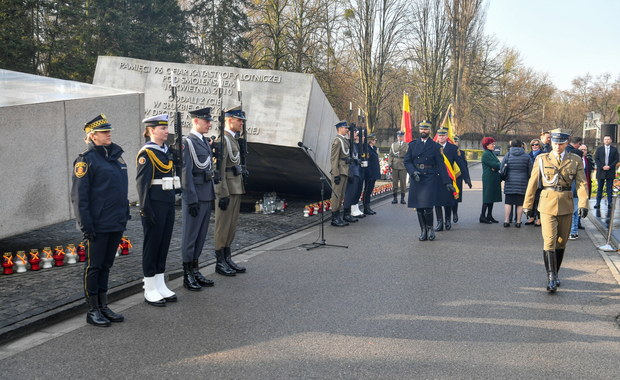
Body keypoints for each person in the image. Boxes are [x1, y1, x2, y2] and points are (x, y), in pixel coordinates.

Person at [71, 114, 130, 327]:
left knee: (106, 265)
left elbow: (119, 191)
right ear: (92, 136)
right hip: (97, 224)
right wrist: (86, 225)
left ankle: (104, 304)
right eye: (104, 132)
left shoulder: (115, 157)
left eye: (109, 131)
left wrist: (124, 215)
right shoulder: (85, 160)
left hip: (115, 221)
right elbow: (80, 197)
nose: (109, 134)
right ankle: (92, 308)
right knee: (94, 267)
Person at [524, 128, 589, 292]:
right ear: (551, 142)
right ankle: (551, 277)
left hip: (566, 203)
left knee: (561, 242)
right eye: (555, 143)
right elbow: (532, 183)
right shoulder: (542, 159)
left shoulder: (575, 160)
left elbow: (582, 183)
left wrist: (583, 204)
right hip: (547, 203)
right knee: (549, 240)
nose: (558, 146)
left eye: (561, 143)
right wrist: (527, 204)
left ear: (566, 143)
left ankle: (556, 273)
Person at [136, 114, 178, 307]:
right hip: (154, 204)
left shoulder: (166, 150)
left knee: (163, 244)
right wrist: (145, 208)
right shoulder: (147, 153)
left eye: (166, 127)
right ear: (151, 130)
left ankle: (160, 283)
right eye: (162, 128)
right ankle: (149, 287)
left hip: (168, 201)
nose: (166, 131)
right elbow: (142, 183)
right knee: (152, 245)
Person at [180, 107, 216, 291]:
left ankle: (195, 269)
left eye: (209, 121)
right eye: (206, 121)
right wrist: (190, 198)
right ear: (195, 121)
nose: (209, 124)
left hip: (206, 193)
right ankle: (187, 274)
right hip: (194, 197)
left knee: (201, 236)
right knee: (190, 236)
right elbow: (185, 173)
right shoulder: (188, 142)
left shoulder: (203, 141)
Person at [404, 121, 453, 241]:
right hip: (417, 177)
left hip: (430, 177)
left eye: (426, 129)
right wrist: (413, 172)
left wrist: (447, 182)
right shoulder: (413, 145)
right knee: (419, 207)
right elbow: (407, 161)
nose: (423, 131)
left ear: (430, 131)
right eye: (421, 129)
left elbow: (441, 166)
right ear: (419, 130)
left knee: (427, 206)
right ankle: (423, 230)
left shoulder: (436, 146)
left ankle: (430, 229)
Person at [213, 105, 248, 276]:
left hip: (236, 187)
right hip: (227, 189)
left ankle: (227, 256)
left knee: (231, 226)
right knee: (223, 225)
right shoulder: (223, 140)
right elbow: (219, 169)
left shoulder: (233, 139)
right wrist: (222, 192)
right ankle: (220, 260)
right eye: (239, 120)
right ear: (228, 120)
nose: (241, 123)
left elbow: (234, 163)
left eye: (242, 121)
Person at [500, 139, 532, 227]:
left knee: (508, 202)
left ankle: (506, 221)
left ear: (512, 145)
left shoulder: (508, 155)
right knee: (520, 203)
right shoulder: (526, 156)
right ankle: (518, 222)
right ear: (521, 145)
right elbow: (531, 170)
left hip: (510, 181)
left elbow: (501, 167)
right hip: (522, 182)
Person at [433, 127, 458, 231]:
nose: (441, 137)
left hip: (448, 178)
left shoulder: (453, 148)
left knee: (447, 201)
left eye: (443, 135)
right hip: (436, 178)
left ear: (447, 137)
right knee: (437, 201)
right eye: (440, 135)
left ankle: (447, 220)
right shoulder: (433, 147)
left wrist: (467, 178)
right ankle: (439, 222)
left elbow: (460, 163)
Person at [330, 121, 351, 227]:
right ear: (339, 129)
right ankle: (334, 217)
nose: (347, 129)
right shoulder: (337, 141)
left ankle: (338, 216)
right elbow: (334, 159)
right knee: (336, 195)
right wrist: (336, 174)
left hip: (344, 170)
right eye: (345, 128)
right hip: (339, 171)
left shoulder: (344, 140)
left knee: (341, 195)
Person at [342, 127, 363, 223]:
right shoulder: (347, 143)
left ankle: (348, 212)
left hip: (356, 171)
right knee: (349, 193)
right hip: (351, 171)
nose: (356, 134)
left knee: (353, 192)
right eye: (354, 132)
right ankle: (346, 214)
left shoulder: (353, 144)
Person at [480, 137, 502, 223]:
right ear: (487, 145)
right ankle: (482, 216)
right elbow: (496, 165)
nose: (494, 145)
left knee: (491, 197)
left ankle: (489, 215)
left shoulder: (491, 153)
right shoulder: (486, 154)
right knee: (487, 197)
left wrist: (496, 167)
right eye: (492, 144)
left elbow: (498, 164)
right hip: (488, 178)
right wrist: (496, 166)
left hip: (493, 177)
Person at [593, 135, 618, 209]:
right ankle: (598, 203)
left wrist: (610, 166)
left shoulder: (614, 149)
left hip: (610, 171)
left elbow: (616, 159)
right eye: (605, 139)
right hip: (601, 171)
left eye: (608, 139)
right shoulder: (599, 149)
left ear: (611, 140)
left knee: (609, 188)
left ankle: (610, 203)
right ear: (603, 140)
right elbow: (596, 159)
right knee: (599, 188)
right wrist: (602, 166)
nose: (607, 140)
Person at [451, 136, 472, 223]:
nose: (455, 143)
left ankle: (455, 213)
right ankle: (447, 217)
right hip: (448, 177)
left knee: (456, 197)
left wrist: (467, 179)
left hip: (458, 177)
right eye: (453, 141)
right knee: (447, 198)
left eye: (456, 141)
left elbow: (465, 167)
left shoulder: (461, 153)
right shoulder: (444, 152)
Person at [362, 134, 381, 215]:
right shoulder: (366, 149)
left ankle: (368, 207)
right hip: (369, 173)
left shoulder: (374, 148)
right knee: (367, 190)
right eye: (374, 140)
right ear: (370, 141)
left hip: (374, 173)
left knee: (370, 190)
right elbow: (367, 160)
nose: (375, 141)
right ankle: (366, 207)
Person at [388, 131, 408, 204]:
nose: (400, 138)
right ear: (397, 137)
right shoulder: (393, 145)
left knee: (403, 183)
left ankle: (402, 198)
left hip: (403, 165)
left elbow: (408, 155)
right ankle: (395, 198)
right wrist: (389, 163)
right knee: (395, 182)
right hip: (395, 165)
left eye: (401, 136)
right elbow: (390, 155)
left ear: (403, 137)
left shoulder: (407, 145)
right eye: (399, 136)